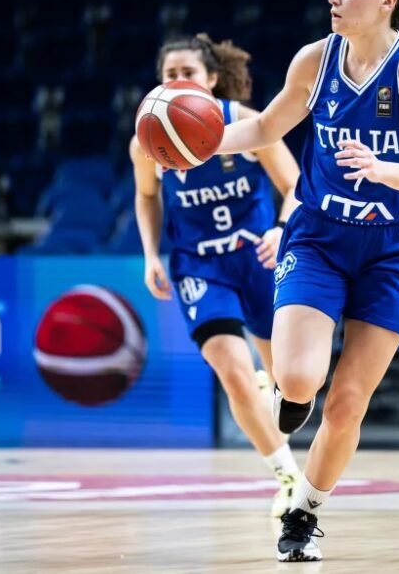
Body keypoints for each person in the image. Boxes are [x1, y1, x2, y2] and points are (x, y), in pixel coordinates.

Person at [216, 0, 399, 561]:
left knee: (350, 401)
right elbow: (267, 128)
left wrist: (385, 169)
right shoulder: (314, 61)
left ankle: (304, 511)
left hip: (394, 249)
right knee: (301, 379)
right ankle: (288, 392)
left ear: (387, 2)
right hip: (321, 235)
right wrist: (201, 143)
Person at [129, 33, 303, 517]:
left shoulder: (244, 122)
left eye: (188, 73)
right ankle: (287, 476)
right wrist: (151, 254)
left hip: (258, 259)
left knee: (296, 382)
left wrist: (282, 229)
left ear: (210, 79)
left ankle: (275, 386)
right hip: (199, 265)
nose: (179, 81)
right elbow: (146, 197)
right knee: (231, 368)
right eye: (170, 75)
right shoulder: (148, 140)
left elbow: (294, 185)